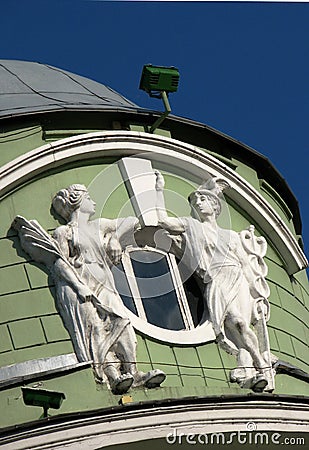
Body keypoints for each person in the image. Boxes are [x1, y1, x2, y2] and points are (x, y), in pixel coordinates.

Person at [13, 184, 165, 394]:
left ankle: (134, 371)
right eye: (88, 198)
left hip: (105, 285)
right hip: (80, 287)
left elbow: (132, 221)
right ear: (78, 202)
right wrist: (78, 287)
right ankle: (113, 375)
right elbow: (59, 264)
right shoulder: (64, 232)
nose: (92, 202)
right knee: (95, 330)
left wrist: (114, 238)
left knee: (123, 323)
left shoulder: (99, 226)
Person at [155, 172, 272, 392]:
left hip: (237, 279)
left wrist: (257, 291)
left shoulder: (231, 235)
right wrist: (159, 190)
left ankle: (257, 366)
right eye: (195, 201)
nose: (198, 203)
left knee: (243, 325)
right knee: (235, 322)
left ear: (214, 205)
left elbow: (245, 266)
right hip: (217, 280)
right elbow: (163, 220)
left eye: (202, 199)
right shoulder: (191, 225)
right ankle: (260, 363)